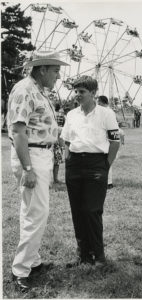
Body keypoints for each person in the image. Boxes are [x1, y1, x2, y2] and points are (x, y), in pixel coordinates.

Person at [7, 51, 69, 292]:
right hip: (31, 157)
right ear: (42, 69)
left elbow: (37, 126)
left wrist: (57, 138)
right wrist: (28, 168)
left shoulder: (38, 90)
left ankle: (33, 261)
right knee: (38, 214)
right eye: (55, 70)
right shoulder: (25, 90)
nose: (58, 75)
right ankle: (21, 270)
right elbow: (19, 132)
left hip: (40, 153)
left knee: (30, 211)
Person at [60, 77, 120, 267]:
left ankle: (99, 255)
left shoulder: (106, 114)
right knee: (77, 211)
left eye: (82, 92)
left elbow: (115, 142)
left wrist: (105, 165)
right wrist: (68, 157)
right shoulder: (71, 115)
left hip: (96, 164)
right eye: (76, 91)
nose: (77, 95)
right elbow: (66, 140)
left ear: (93, 93)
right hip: (75, 165)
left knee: (92, 210)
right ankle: (83, 254)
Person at [53, 104, 65, 184]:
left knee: (51, 162)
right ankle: (55, 179)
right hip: (57, 141)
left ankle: (51, 179)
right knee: (56, 162)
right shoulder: (61, 116)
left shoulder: (52, 114)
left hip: (51, 141)